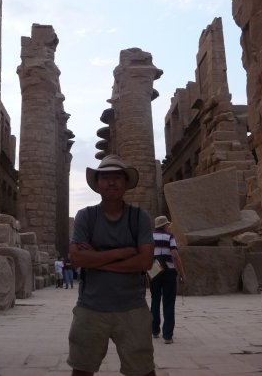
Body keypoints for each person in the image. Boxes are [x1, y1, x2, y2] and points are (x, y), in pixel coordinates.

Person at [68, 155, 156, 376]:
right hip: (91, 306)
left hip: (132, 306)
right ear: (97, 184)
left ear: (126, 183)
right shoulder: (85, 216)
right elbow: (76, 258)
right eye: (106, 177)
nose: (111, 182)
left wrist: (96, 259)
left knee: (143, 371)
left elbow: (145, 261)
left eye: (117, 177)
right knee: (82, 370)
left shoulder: (139, 217)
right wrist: (121, 253)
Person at [150, 216, 186, 344]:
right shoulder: (169, 236)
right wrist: (182, 273)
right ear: (165, 225)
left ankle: (155, 330)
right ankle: (167, 336)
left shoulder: (150, 237)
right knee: (169, 302)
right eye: (168, 225)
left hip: (154, 270)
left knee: (155, 300)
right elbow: (175, 255)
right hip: (169, 271)